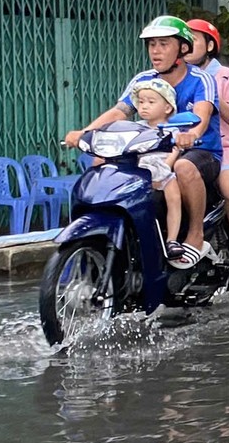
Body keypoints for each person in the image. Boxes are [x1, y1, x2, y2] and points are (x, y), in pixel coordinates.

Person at [66, 16, 218, 261]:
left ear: (183, 48)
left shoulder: (201, 79)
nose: (155, 51)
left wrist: (191, 135)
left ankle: (195, 234)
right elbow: (120, 112)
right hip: (151, 150)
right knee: (101, 165)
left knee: (183, 167)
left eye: (163, 44)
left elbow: (202, 115)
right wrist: (85, 132)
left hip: (200, 151)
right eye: (151, 44)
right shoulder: (143, 80)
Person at [91, 77, 193, 263]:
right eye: (141, 102)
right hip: (138, 171)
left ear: (168, 107)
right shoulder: (135, 128)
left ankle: (172, 239)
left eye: (151, 102)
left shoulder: (173, 129)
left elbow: (175, 151)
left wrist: (165, 168)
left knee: (173, 195)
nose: (144, 106)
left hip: (162, 170)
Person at [187, 19, 229, 262]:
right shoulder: (179, 76)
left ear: (210, 45)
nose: (186, 46)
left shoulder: (225, 76)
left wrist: (213, 97)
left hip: (224, 147)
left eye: (193, 40)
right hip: (185, 147)